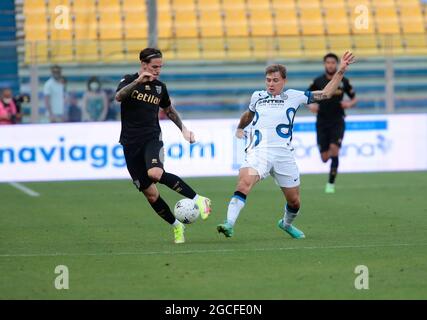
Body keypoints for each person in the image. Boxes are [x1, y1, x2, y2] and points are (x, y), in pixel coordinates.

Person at [217, 51, 355, 239]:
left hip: (284, 155)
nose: (271, 84)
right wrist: (240, 127)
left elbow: (326, 93)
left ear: (284, 81)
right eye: (268, 80)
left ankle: (286, 223)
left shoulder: (294, 96)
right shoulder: (257, 96)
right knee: (244, 184)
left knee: (294, 201)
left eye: (275, 80)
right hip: (259, 153)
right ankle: (229, 223)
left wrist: (340, 71)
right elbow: (248, 115)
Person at [115, 48, 212, 244]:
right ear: (143, 65)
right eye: (154, 66)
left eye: (160, 66)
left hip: (152, 138)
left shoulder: (160, 87)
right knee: (151, 195)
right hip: (129, 143)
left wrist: (183, 129)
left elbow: (169, 110)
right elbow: (118, 97)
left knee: (155, 173)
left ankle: (199, 200)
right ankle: (177, 226)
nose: (158, 70)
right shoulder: (128, 81)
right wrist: (137, 82)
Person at [307, 53, 357, 193]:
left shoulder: (344, 81)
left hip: (337, 121)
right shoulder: (317, 81)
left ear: (336, 64)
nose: (330, 65)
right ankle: (330, 156)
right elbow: (306, 97)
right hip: (322, 121)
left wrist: (349, 104)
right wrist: (311, 106)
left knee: (335, 149)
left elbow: (354, 99)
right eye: (328, 63)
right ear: (324, 64)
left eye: (333, 63)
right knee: (324, 158)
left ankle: (330, 184)